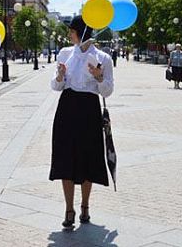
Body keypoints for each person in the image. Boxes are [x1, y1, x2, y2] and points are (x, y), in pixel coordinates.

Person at [50, 15, 114, 229]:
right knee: (64, 157)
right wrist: (59, 76)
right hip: (66, 107)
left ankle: (85, 205)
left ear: (81, 32)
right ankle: (69, 208)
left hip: (89, 109)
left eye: (72, 31)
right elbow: (56, 86)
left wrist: (98, 76)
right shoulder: (65, 53)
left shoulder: (103, 57)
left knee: (88, 158)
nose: (69, 34)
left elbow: (108, 90)